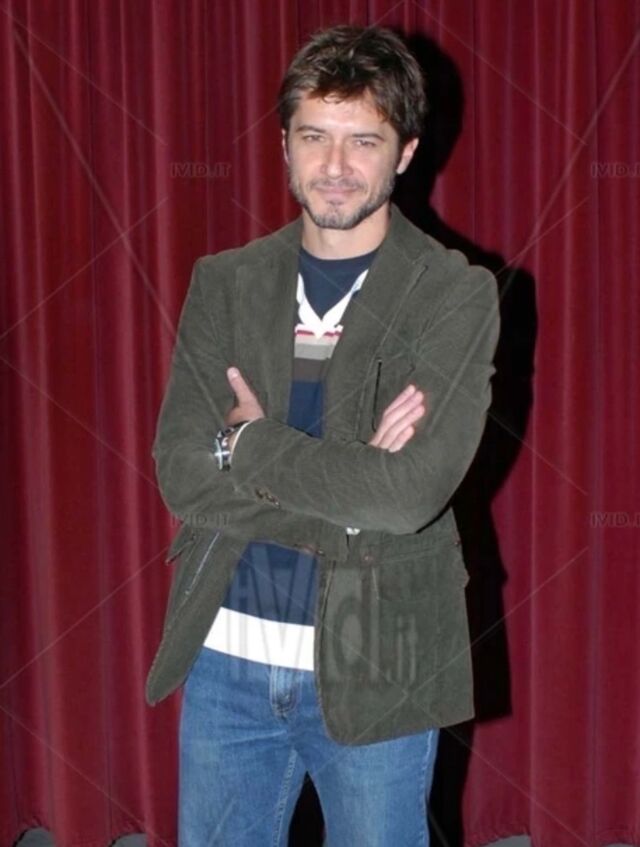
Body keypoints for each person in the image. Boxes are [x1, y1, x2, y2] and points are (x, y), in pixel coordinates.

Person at [146, 24, 500, 846]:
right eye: (314, 136)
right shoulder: (225, 282)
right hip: (224, 661)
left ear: (405, 152)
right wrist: (352, 491)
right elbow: (181, 471)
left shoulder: (454, 294)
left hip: (380, 656)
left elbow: (407, 497)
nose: (335, 164)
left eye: (362, 141)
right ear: (284, 144)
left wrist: (249, 447)